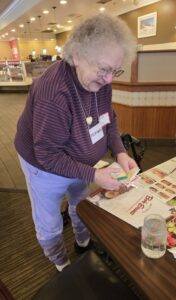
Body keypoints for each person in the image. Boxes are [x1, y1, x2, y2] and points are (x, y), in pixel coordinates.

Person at [14, 13, 137, 272]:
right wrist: (93, 173)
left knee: (80, 202)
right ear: (77, 54)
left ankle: (83, 242)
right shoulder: (54, 93)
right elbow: (48, 155)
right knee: (49, 221)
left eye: (115, 70)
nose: (109, 79)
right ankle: (61, 263)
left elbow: (109, 119)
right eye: (104, 69)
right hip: (43, 165)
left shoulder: (100, 80)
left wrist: (120, 152)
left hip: (82, 161)